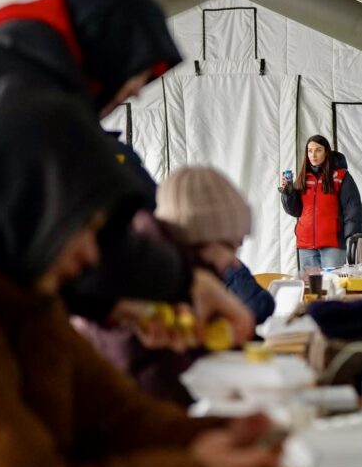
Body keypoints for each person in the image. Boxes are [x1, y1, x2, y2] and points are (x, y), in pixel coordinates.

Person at [0, 82, 278, 467]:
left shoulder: (31, 304)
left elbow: (116, 419)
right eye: (83, 228)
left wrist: (226, 433)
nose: (91, 255)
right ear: (24, 211)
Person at [0, 0, 253, 339]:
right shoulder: (34, 100)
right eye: (139, 72)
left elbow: (38, 249)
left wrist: (111, 305)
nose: (137, 90)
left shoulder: (11, 71)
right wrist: (188, 282)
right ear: (111, 49)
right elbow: (75, 238)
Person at [78, 166, 275, 405]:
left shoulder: (187, 275)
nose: (234, 259)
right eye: (230, 245)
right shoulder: (146, 284)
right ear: (200, 238)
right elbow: (155, 382)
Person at [280, 135, 362, 270]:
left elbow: (352, 209)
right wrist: (287, 192)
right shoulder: (303, 178)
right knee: (311, 289)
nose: (313, 155)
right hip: (306, 247)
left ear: (326, 152)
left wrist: (351, 237)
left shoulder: (341, 176)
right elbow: (294, 211)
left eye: (318, 150)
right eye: (310, 150)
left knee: (332, 287)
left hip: (333, 246)